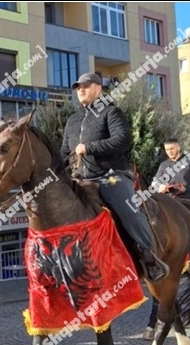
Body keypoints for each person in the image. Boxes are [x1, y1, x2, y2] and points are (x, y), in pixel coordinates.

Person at [61, 72, 169, 282]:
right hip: (81, 179)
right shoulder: (72, 120)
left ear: (98, 88)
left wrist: (89, 147)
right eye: (78, 87)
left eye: (86, 85)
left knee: (127, 208)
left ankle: (148, 255)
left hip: (110, 176)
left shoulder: (111, 112)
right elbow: (64, 152)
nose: (80, 90)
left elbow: (122, 140)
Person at [143, 138, 190, 339]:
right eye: (167, 150)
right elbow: (155, 184)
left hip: (188, 201)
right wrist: (159, 189)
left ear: (179, 147)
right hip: (168, 203)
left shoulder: (189, 160)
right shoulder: (163, 165)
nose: (170, 152)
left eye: (172, 149)